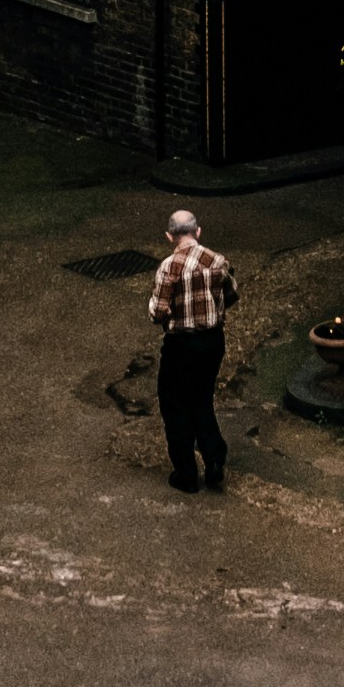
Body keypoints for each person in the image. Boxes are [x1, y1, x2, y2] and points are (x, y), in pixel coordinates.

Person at [146, 207, 234, 492]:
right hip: (212, 342)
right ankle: (214, 458)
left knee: (175, 405)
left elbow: (158, 313)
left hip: (181, 345)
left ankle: (186, 474)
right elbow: (232, 293)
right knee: (202, 398)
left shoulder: (168, 267)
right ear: (198, 231)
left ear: (169, 235)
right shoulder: (217, 260)